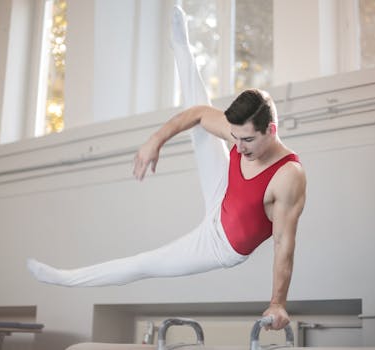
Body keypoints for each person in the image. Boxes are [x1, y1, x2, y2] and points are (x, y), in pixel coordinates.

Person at [27, 6, 306, 330]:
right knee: (200, 116)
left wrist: (277, 303)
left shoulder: (288, 177)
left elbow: (284, 244)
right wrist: (155, 140)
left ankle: (63, 279)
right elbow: (200, 114)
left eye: (247, 140)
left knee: (144, 264)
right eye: (234, 138)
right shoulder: (240, 134)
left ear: (271, 131)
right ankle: (181, 46)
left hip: (220, 244)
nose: (238, 147)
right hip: (224, 191)